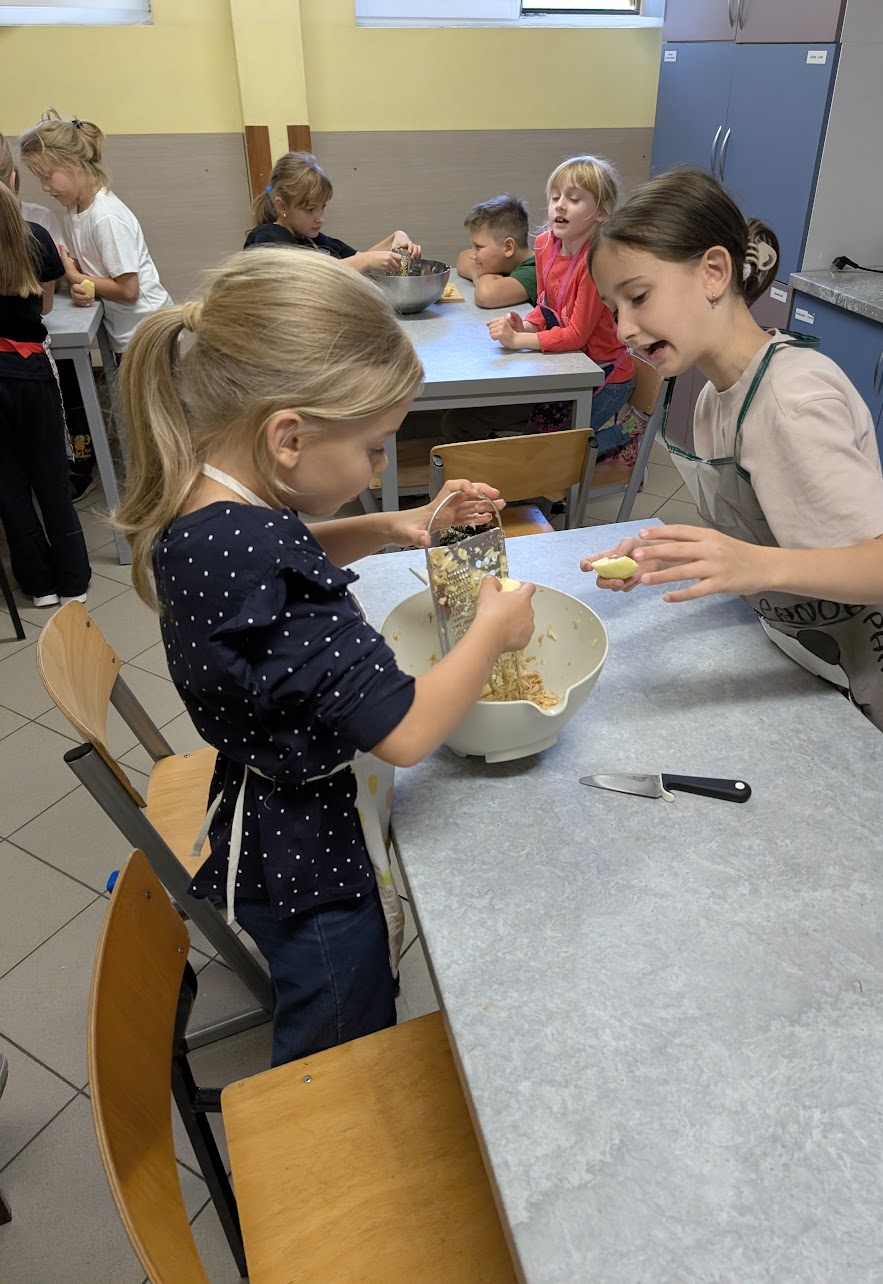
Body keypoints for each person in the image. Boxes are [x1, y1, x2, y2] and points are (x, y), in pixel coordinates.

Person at [114, 248, 535, 1066]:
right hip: (306, 857)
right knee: (343, 1020)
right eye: (377, 448)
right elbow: (407, 733)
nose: (380, 468)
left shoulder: (203, 504)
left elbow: (284, 545)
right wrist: (491, 632)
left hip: (259, 799)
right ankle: (325, 1146)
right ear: (288, 438)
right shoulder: (253, 543)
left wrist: (391, 525)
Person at [583, 168, 883, 755]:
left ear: (713, 272)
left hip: (866, 672)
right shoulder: (710, 399)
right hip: (798, 647)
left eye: (639, 296)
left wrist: (752, 564)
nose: (623, 328)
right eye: (612, 306)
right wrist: (670, 551)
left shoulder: (793, 400)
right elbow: (762, 522)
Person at [18, 109, 173, 497]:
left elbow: (128, 289)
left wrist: (74, 277)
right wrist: (85, 283)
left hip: (147, 330)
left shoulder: (105, 216)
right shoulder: (75, 209)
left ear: (72, 164)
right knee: (147, 419)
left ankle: (171, 494)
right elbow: (100, 277)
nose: (45, 187)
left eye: (47, 175)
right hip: (129, 332)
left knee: (161, 421)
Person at [482, 155, 635, 456]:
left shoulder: (596, 262)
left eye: (574, 199)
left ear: (602, 211)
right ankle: (544, 498)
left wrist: (518, 340)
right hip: (570, 366)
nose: (560, 205)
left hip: (605, 375)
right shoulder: (544, 245)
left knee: (560, 451)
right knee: (536, 443)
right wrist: (524, 325)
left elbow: (576, 334)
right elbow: (546, 307)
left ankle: (622, 436)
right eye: (555, 197)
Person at [0, 182, 90, 606]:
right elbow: (46, 307)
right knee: (52, 479)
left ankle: (39, 587)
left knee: (9, 487)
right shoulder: (34, 235)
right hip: (32, 370)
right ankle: (74, 582)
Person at [0, 130, 94, 501]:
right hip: (30, 354)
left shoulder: (40, 219)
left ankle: (76, 464)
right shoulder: (37, 226)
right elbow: (46, 300)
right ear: (13, 177)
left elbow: (55, 287)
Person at [243, 151, 420, 274]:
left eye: (323, 207)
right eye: (310, 209)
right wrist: (367, 261)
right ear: (282, 207)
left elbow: (360, 259)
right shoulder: (267, 238)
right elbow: (306, 277)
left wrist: (396, 239)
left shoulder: (315, 240)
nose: (320, 218)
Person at [455, 194, 537, 309]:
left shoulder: (533, 271)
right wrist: (478, 275)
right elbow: (462, 258)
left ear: (508, 247)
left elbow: (486, 295)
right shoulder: (503, 262)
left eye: (479, 247)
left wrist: (484, 276)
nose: (473, 255)